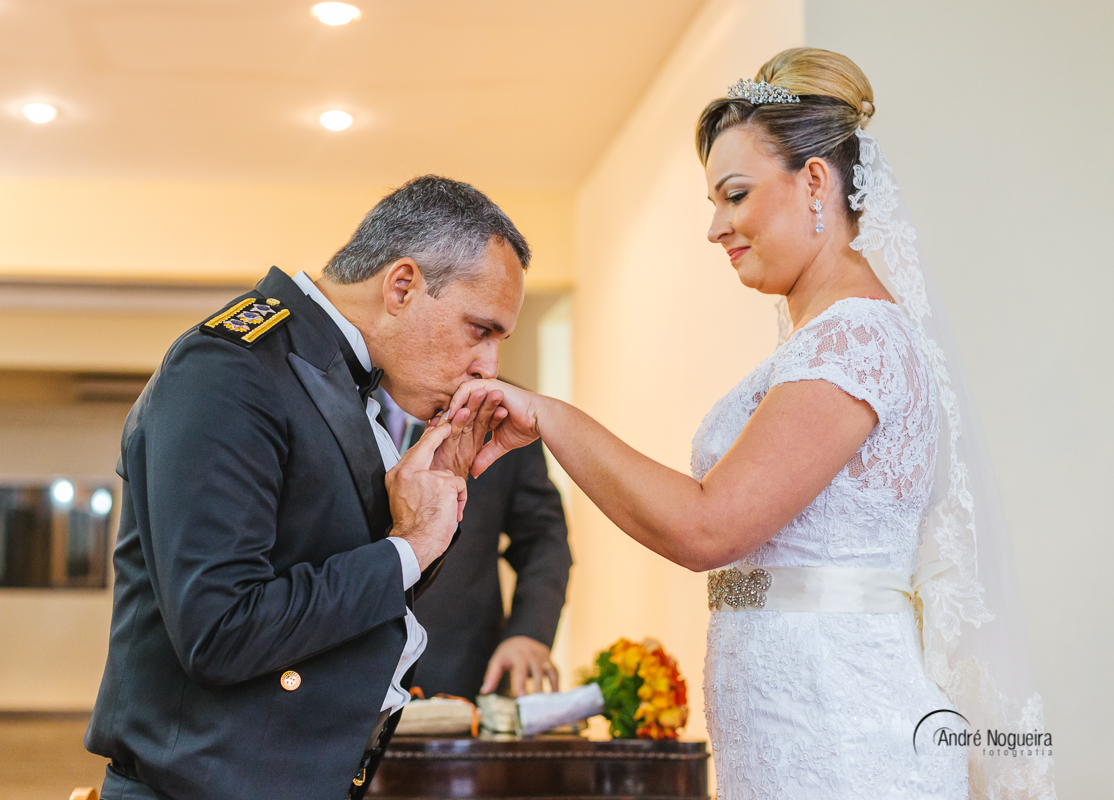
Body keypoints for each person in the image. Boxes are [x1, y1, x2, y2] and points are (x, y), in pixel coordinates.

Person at [445, 49, 1054, 799]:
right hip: (792, 725)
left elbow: (711, 527)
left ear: (816, 184)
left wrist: (551, 416)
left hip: (845, 736)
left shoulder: (856, 338)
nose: (716, 227)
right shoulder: (820, 340)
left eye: (734, 195)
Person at [84, 175, 527, 800]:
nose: (489, 366)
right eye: (480, 329)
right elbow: (221, 629)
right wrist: (407, 548)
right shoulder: (228, 368)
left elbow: (352, 592)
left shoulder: (331, 375)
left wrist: (427, 519)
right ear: (401, 286)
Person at [375, 388, 571, 699]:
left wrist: (530, 631)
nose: (490, 361)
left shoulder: (505, 412)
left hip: (462, 675)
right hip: (344, 673)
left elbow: (542, 538)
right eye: (480, 335)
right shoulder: (341, 389)